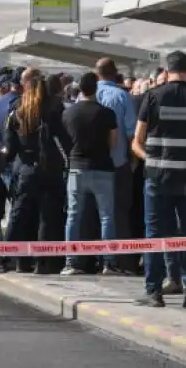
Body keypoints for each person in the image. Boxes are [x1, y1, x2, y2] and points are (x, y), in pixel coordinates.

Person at [132, 51, 186, 308]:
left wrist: (150, 158)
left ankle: (154, 293)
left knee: (156, 234)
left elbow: (137, 140)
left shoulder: (153, 96)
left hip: (157, 178)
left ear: (166, 71)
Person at [0, 69, 72, 275]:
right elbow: (65, 140)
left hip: (25, 169)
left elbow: (10, 148)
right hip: (50, 169)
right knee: (47, 217)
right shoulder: (55, 108)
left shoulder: (18, 110)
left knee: (20, 216)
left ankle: (12, 259)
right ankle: (43, 262)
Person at [61, 72, 120, 275]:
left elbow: (66, 141)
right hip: (102, 167)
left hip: (76, 167)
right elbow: (113, 142)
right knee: (106, 217)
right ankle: (108, 262)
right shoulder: (107, 113)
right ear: (96, 88)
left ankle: (70, 261)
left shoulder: (68, 113)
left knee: (73, 216)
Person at [94, 58, 138, 273]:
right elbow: (131, 133)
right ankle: (120, 261)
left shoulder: (87, 97)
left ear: (97, 73)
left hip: (92, 165)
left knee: (95, 213)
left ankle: (96, 259)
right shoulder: (122, 97)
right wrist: (133, 160)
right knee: (119, 213)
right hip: (118, 164)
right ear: (115, 73)